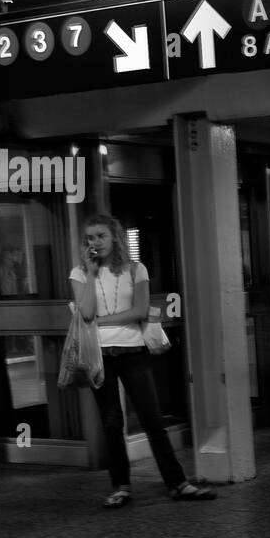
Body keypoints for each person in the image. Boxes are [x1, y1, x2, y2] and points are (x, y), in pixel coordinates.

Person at [70, 214, 215, 509]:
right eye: (89, 238)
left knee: (152, 419)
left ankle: (177, 483)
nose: (94, 242)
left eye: (100, 236)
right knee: (111, 422)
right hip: (100, 355)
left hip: (132, 351)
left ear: (115, 237)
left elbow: (139, 311)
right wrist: (89, 271)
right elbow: (85, 314)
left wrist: (102, 320)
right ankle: (121, 486)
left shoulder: (136, 269)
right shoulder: (79, 273)